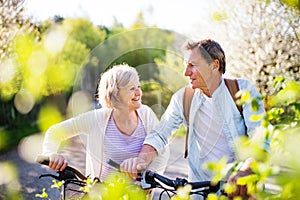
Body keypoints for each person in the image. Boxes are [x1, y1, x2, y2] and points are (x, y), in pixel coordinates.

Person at [120, 39, 265, 199]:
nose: (186, 72)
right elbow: (160, 134)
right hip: (198, 191)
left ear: (214, 65)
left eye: (192, 65)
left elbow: (260, 138)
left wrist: (247, 170)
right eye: (185, 66)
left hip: (238, 189)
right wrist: (141, 160)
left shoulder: (242, 90)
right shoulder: (183, 98)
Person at [41, 64, 169, 182]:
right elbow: (54, 132)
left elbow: (162, 149)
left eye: (138, 87)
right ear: (115, 94)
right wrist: (50, 153)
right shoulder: (96, 119)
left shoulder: (146, 114)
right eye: (132, 89)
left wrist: (149, 180)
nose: (138, 93)